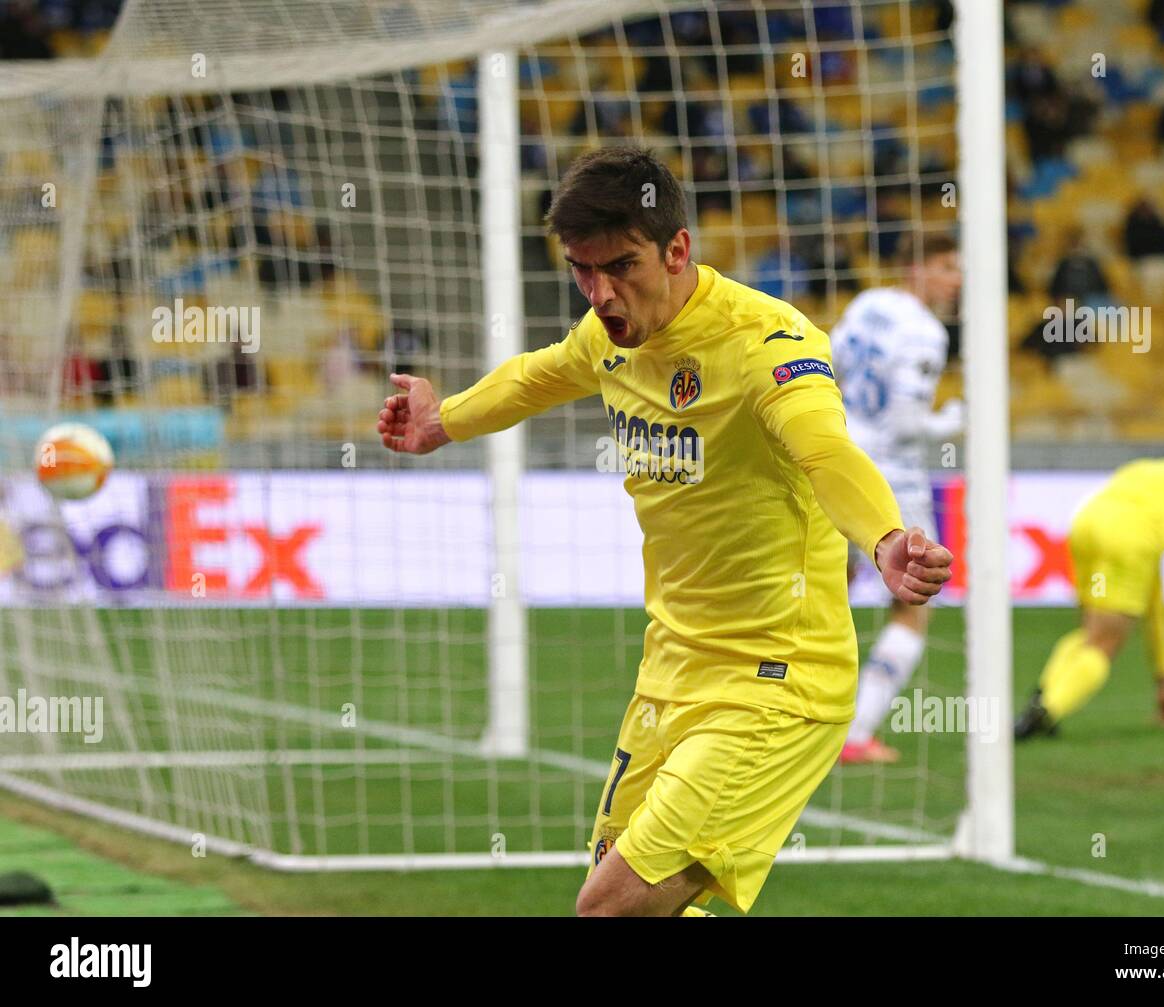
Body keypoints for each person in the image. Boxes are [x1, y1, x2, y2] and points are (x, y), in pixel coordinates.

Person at [376, 146, 953, 916]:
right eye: (583, 271)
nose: (602, 293)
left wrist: (883, 538)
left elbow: (825, 449)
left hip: (777, 679)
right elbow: (539, 373)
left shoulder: (768, 344)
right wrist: (441, 421)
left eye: (622, 267)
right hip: (671, 671)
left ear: (677, 249)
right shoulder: (607, 336)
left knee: (607, 908)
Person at [830, 233, 963, 763]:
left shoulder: (867, 304)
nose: (956, 281)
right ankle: (856, 733)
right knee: (912, 604)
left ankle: (797, 716)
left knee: (825, 593)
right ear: (918, 267)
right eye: (948, 266)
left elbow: (827, 367)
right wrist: (954, 422)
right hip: (892, 478)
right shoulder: (927, 332)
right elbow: (908, 423)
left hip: (834, 464)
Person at [1015, 449, 1164, 739]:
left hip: (1087, 524)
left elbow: (1155, 601)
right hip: (1129, 538)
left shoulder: (1154, 472)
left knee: (1091, 633)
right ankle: (1043, 714)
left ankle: (1043, 699)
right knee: (1104, 644)